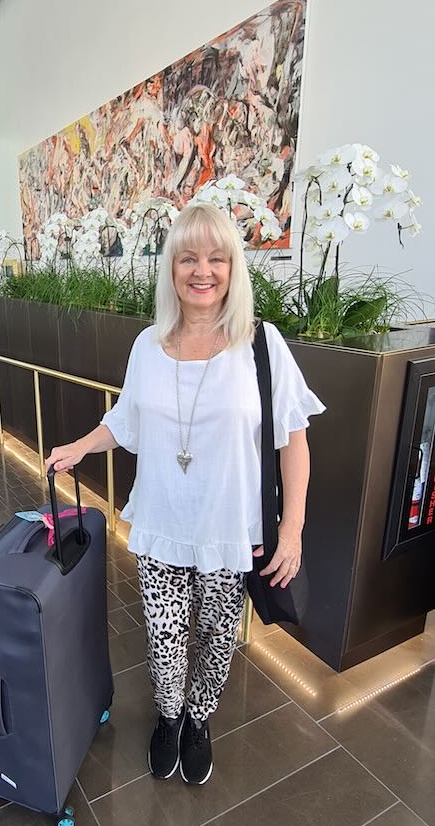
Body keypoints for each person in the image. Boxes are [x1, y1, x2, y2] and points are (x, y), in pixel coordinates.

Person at [45, 203, 324, 786]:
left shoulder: (261, 346)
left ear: (233, 268)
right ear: (171, 268)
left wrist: (292, 530)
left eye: (216, 258)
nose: (203, 271)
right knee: (166, 636)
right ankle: (169, 717)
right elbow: (126, 419)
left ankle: (200, 721)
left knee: (219, 637)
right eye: (189, 258)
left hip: (234, 529)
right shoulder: (149, 344)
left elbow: (294, 442)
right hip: (163, 523)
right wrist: (79, 446)